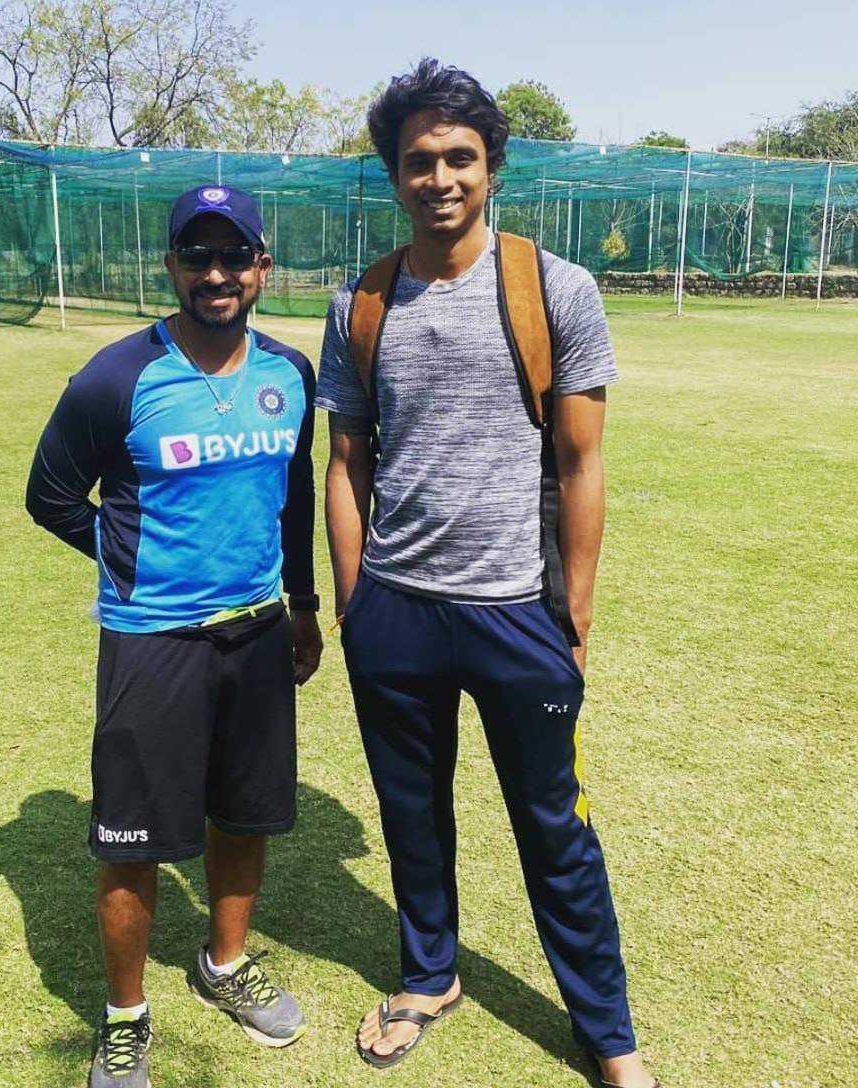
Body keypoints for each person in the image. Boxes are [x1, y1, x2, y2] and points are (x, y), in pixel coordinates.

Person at [317, 60, 660, 1087]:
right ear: (393, 173)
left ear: (493, 166)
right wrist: (354, 602)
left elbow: (582, 460)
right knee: (411, 813)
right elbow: (347, 463)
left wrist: (576, 613)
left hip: (518, 612)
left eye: (459, 156)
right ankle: (430, 975)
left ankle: (606, 1029)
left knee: (558, 830)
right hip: (398, 615)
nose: (440, 177)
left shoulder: (557, 289)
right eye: (418, 160)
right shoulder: (360, 304)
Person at [25, 184, 322, 1088]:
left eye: (235, 256)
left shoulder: (289, 373)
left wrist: (304, 604)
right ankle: (124, 1018)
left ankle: (224, 964)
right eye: (198, 257)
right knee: (131, 841)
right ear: (172, 268)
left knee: (246, 811)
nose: (217, 274)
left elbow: (295, 495)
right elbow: (50, 496)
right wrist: (127, 556)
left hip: (261, 633)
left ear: (264, 268)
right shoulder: (115, 378)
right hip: (153, 639)